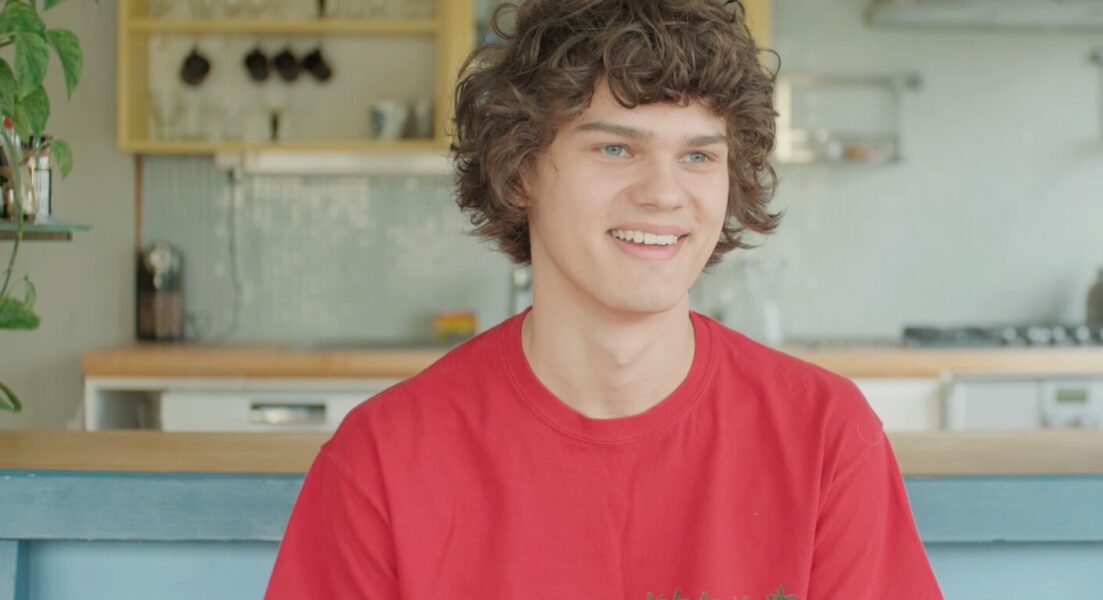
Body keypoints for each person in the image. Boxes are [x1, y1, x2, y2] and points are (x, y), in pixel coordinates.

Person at [263, 0, 943, 597]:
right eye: (616, 149)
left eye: (699, 156)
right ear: (520, 170)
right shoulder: (382, 462)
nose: (664, 194)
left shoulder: (826, 440)